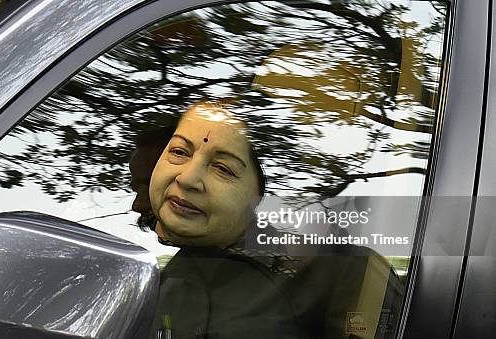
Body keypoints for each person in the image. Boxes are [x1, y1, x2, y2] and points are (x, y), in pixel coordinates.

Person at [142, 101, 402, 339]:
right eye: (178, 151)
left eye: (223, 168)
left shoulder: (343, 270)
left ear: (259, 194)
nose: (187, 178)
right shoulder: (154, 284)